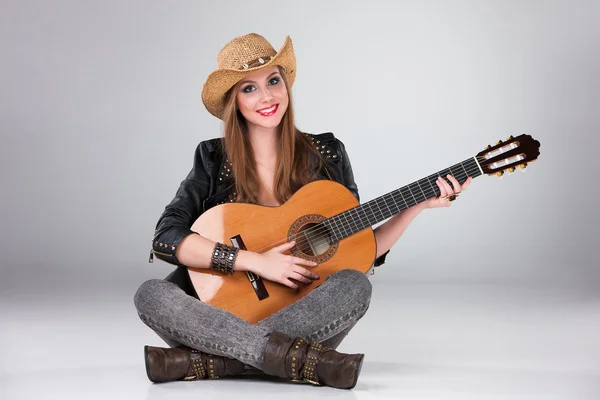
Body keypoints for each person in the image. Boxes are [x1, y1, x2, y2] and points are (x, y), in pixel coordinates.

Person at [133, 33, 471, 390]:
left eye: (273, 81)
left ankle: (210, 361)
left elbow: (359, 248)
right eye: (249, 88)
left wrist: (415, 206)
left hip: (300, 313)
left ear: (286, 85)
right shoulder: (213, 157)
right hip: (217, 309)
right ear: (234, 102)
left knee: (354, 285)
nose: (267, 97)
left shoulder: (328, 152)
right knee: (151, 295)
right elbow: (167, 238)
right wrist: (254, 262)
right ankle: (303, 362)